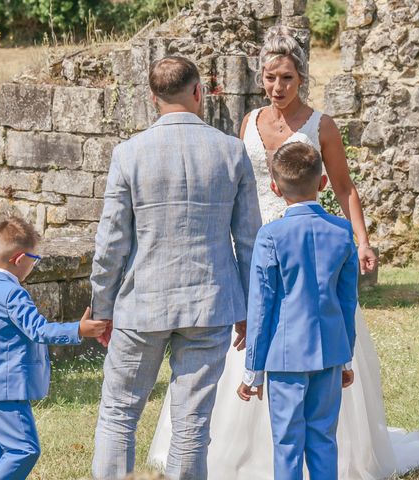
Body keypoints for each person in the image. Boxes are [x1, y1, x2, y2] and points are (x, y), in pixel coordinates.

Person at [148, 26, 419, 478]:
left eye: (287, 78)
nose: (277, 87)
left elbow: (344, 187)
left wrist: (363, 241)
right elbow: (241, 189)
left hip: (311, 248)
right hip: (258, 245)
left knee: (319, 330)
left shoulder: (322, 126)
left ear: (302, 78)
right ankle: (247, 446)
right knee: (255, 331)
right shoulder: (248, 122)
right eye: (271, 78)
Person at [90, 56, 262, 480]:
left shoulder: (128, 153)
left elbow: (111, 241)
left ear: (153, 98)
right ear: (198, 91)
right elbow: (249, 240)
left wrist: (101, 306)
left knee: (118, 414)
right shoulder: (230, 151)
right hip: (211, 300)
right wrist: (248, 309)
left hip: (141, 301)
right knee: (191, 425)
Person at [0, 216, 107, 480]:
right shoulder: (14, 293)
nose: (34, 265)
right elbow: (39, 330)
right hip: (5, 391)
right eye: (35, 260)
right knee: (24, 450)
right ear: (19, 259)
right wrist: (78, 330)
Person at [237, 142, 358, 480]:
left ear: (275, 189)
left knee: (287, 441)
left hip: (285, 356)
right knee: (323, 437)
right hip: (331, 352)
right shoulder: (342, 231)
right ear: (322, 184)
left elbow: (261, 307)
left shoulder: (270, 236)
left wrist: (253, 370)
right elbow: (348, 302)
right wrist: (346, 356)